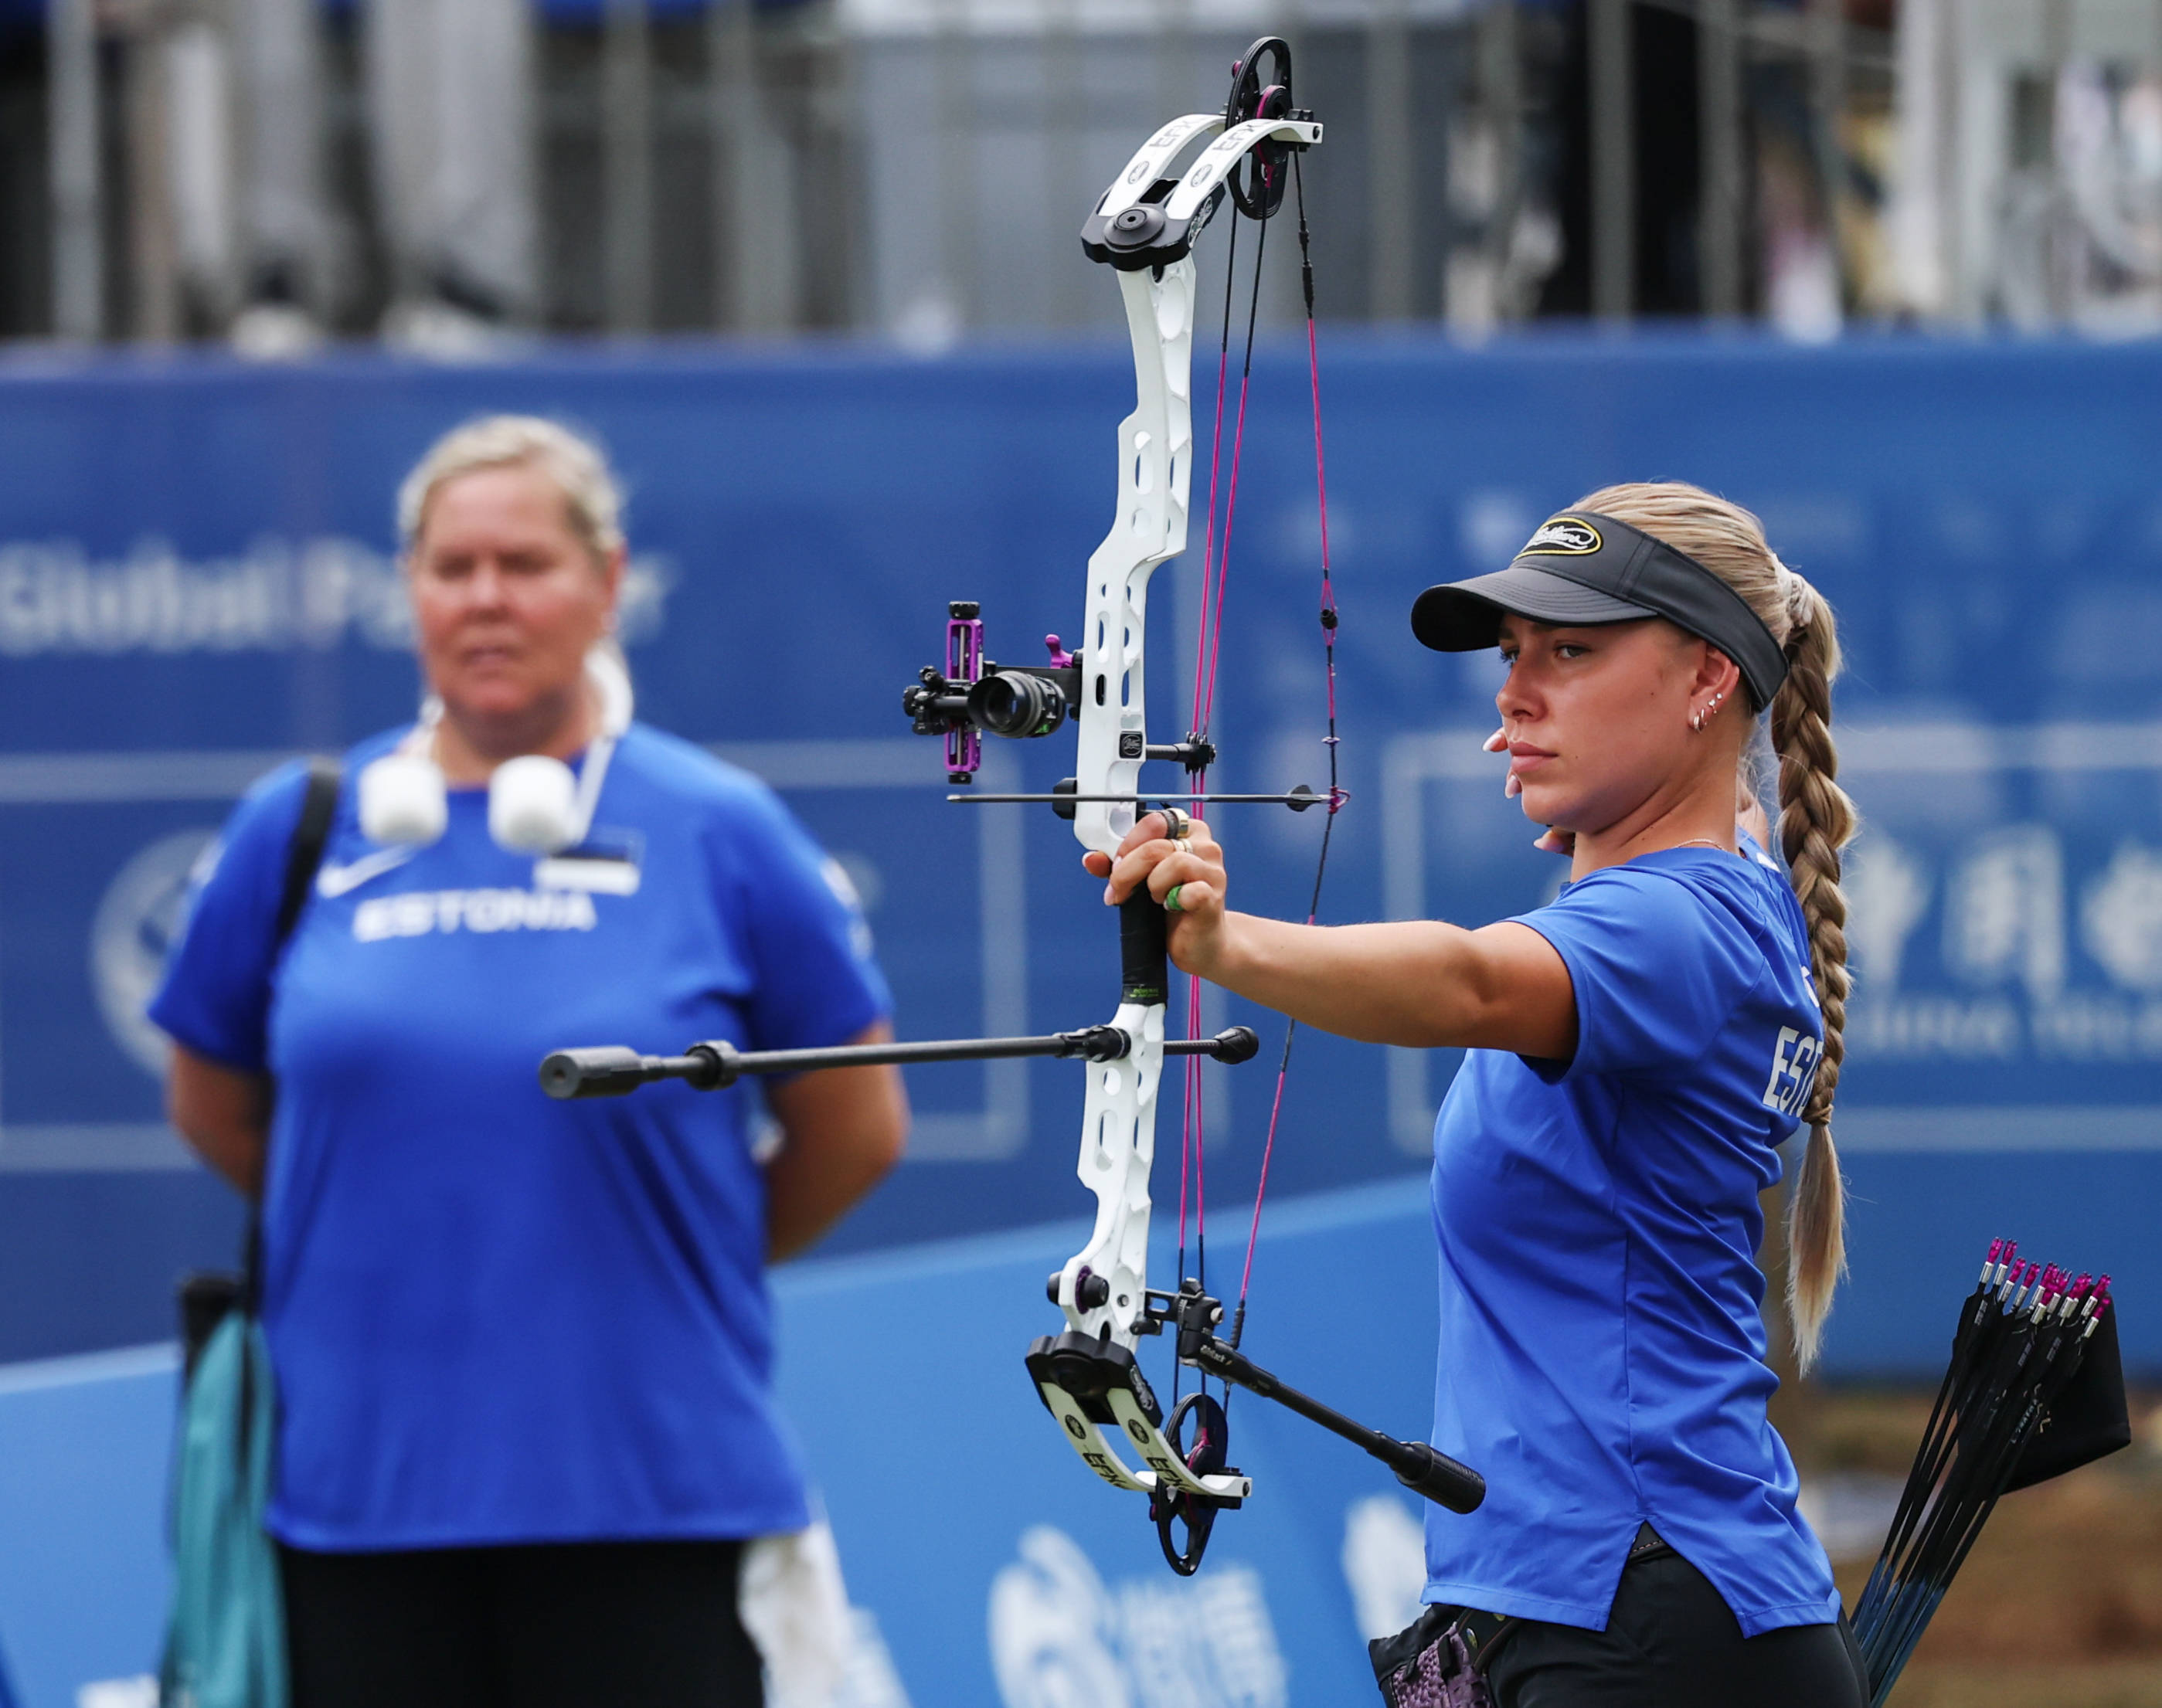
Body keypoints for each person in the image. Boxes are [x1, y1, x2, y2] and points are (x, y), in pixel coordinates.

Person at [150, 416, 907, 1708]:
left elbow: (857, 1128)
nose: (486, 598)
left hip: (647, 1493)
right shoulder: (301, 829)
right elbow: (214, 1104)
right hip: (354, 1505)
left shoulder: (715, 826)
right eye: (452, 568)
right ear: (410, 590)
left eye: (525, 562)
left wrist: (668, 1250)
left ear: (606, 583)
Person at [1091, 482, 1866, 1706]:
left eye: (1570, 652)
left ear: (1709, 679)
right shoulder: (1724, 883)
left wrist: (1221, 944)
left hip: (1637, 1619)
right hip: (1605, 1608)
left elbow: (1463, 982)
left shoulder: (1680, 923)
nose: (1515, 693)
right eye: (1514, 655)